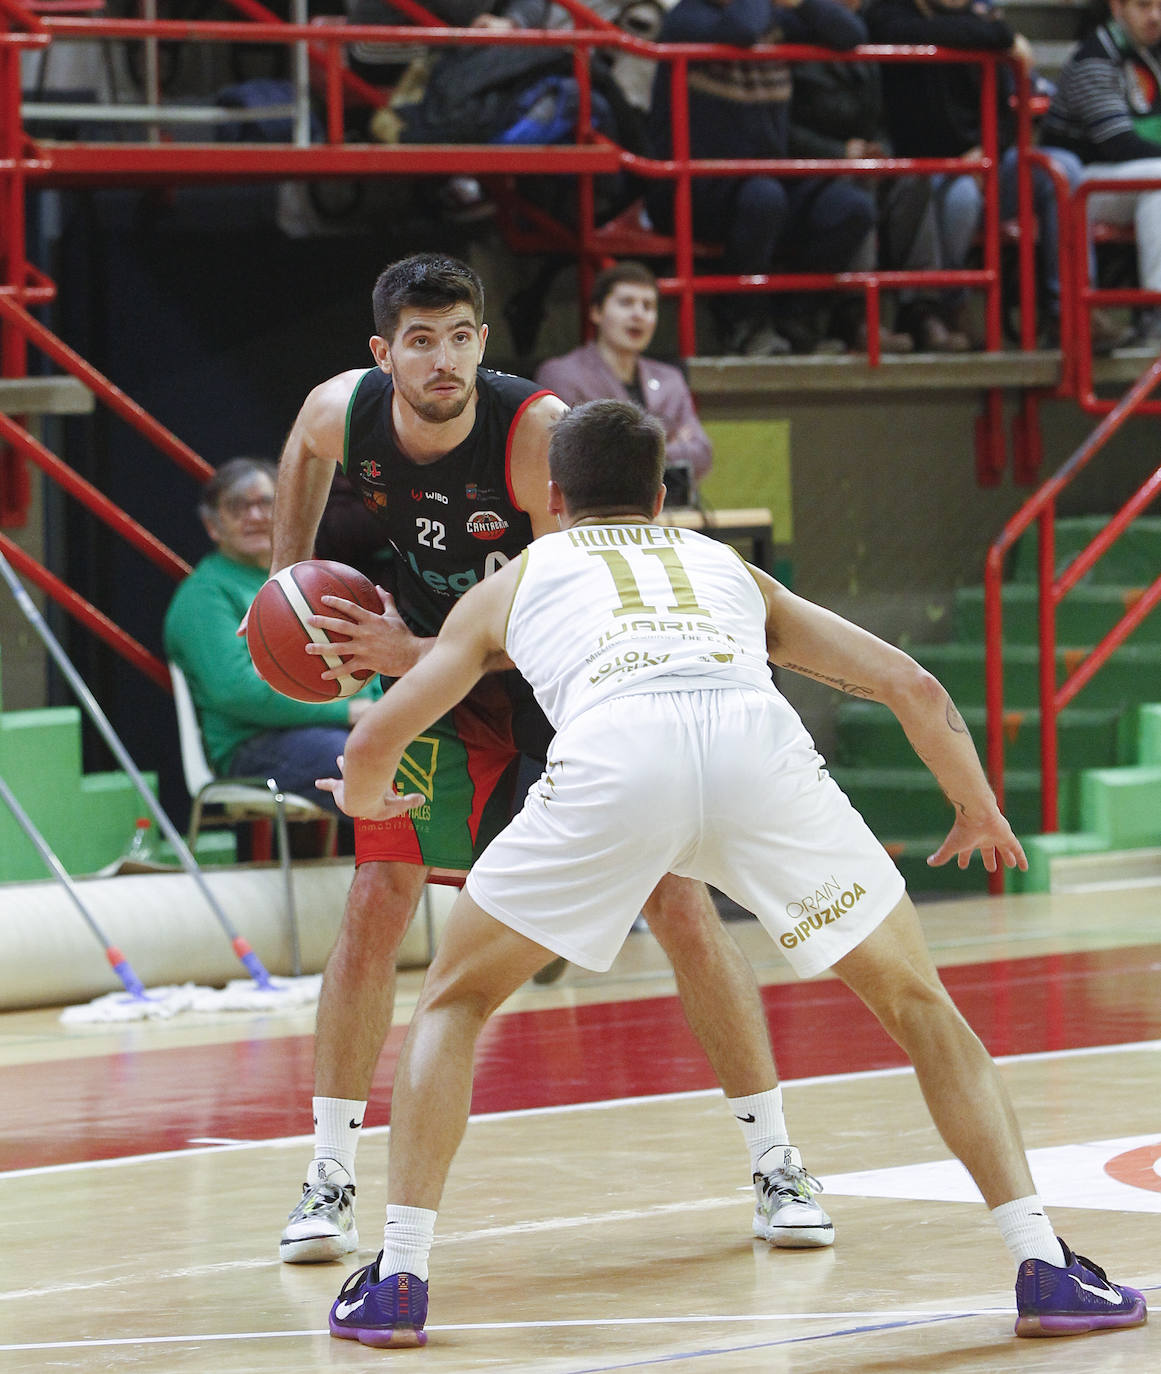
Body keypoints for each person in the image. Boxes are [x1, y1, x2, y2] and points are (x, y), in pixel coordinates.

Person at [319, 399, 1147, 1349]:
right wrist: (976, 807)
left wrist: (366, 797)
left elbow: (384, 729)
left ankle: (400, 1281)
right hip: (758, 752)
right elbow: (910, 685)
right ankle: (1041, 1262)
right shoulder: (729, 569)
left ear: (550, 496)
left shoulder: (519, 576)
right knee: (922, 1007)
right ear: (663, 493)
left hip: (615, 760)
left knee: (455, 1004)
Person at [270, 254, 830, 1266]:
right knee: (378, 892)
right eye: (422, 340)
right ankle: (328, 1174)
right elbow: (303, 463)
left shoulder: (533, 436)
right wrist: (285, 583)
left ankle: (777, 1159)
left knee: (677, 900)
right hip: (444, 675)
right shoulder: (335, 415)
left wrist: (419, 654)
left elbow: (568, 601)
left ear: (484, 340)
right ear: (383, 352)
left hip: (559, 675)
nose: (444, 360)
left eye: (462, 337)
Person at [866, 0, 1127, 352]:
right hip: (925, 170)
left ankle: (1070, 312)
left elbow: (1007, 112)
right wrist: (998, 35)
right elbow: (916, 38)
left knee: (1061, 169)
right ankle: (947, 309)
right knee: (959, 195)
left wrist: (988, 150)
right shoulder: (891, 16)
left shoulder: (980, 21)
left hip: (987, 160)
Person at [644, 0, 877, 357]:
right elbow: (740, 32)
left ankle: (795, 318)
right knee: (764, 197)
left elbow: (850, 35)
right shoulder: (688, 18)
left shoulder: (767, 18)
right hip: (691, 187)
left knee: (851, 207)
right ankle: (742, 323)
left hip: (765, 181)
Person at [163, 457, 373, 838]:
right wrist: (349, 709)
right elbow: (236, 691)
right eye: (238, 506)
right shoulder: (204, 594)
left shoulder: (308, 578)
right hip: (252, 745)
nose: (255, 515)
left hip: (333, 730)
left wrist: (379, 708)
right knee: (367, 762)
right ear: (213, 525)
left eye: (266, 503)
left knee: (423, 748)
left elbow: (360, 655)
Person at [785, 0, 959, 352]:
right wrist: (838, 153)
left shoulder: (868, 29)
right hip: (804, 170)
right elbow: (778, 127)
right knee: (858, 182)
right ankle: (857, 314)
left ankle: (921, 309)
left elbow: (877, 116)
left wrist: (880, 149)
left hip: (857, 154)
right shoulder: (788, 29)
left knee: (912, 177)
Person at [1040, 0, 1161, 345]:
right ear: (1117, 8)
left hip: (1130, 179)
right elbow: (1118, 144)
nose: (1154, 16)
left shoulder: (1153, 54)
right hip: (1078, 182)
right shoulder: (1095, 56)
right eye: (1143, 6)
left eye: (1160, 6)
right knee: (1159, 177)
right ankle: (1156, 310)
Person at [534, 261, 713, 484]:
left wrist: (620, 448)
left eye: (648, 306)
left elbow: (702, 453)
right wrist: (669, 445)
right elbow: (575, 456)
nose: (638, 314)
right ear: (596, 312)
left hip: (667, 511)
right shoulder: (562, 374)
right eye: (626, 303)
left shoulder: (670, 379)